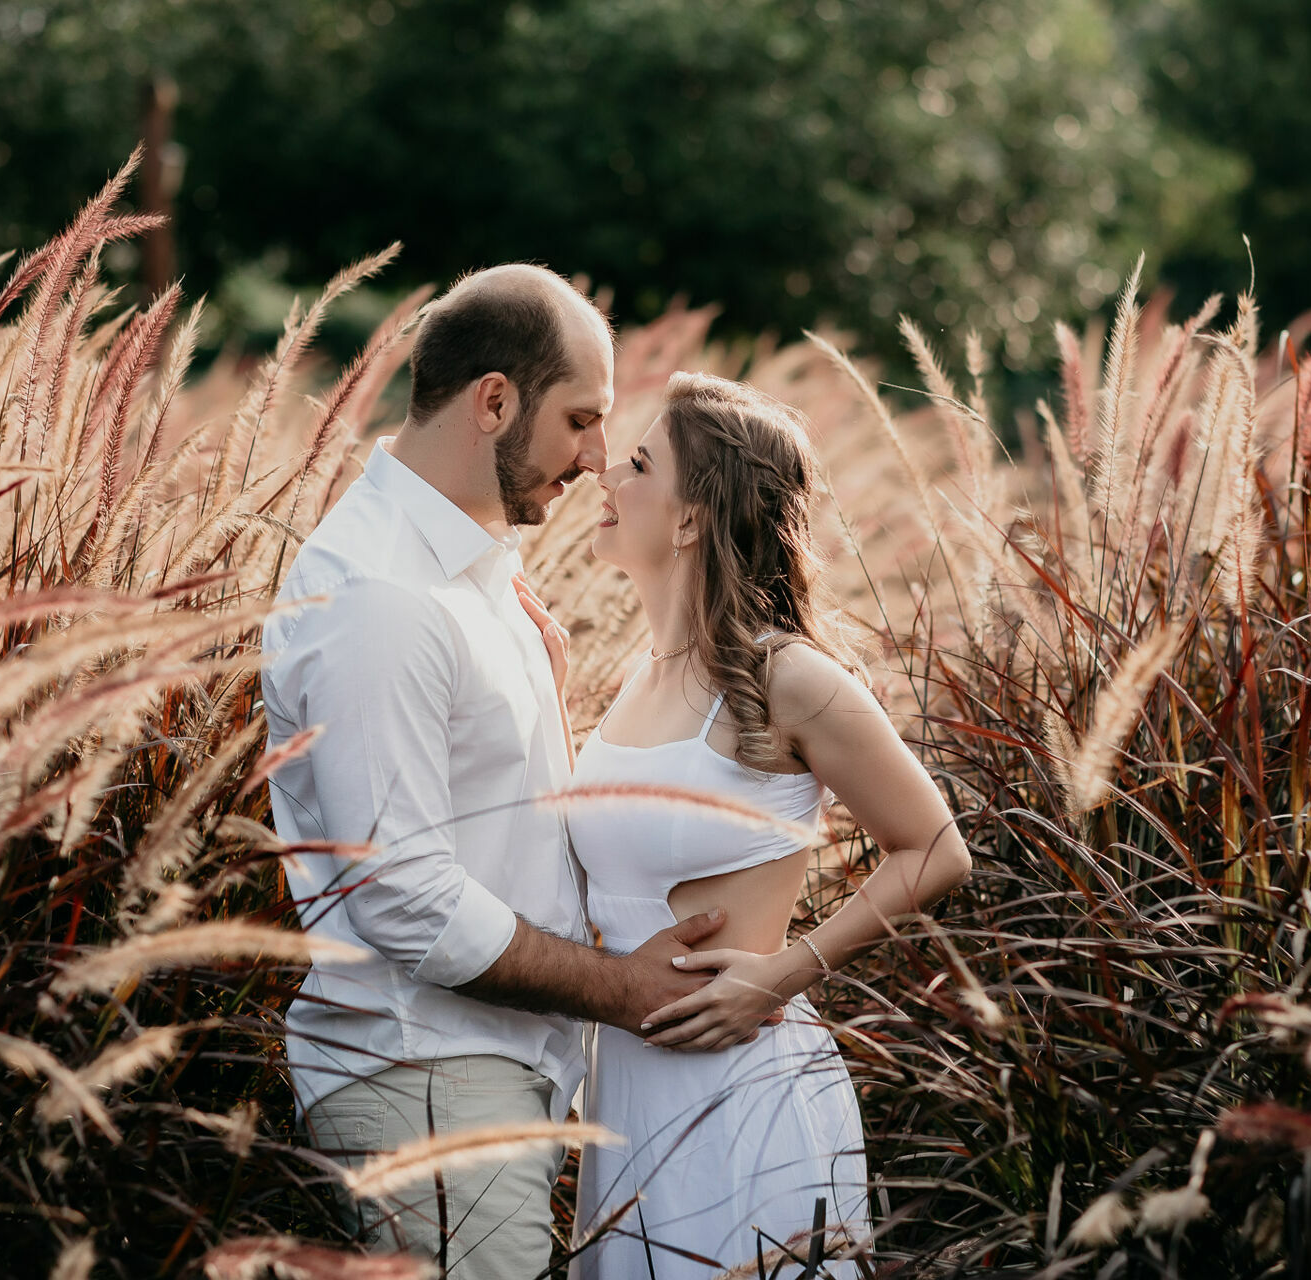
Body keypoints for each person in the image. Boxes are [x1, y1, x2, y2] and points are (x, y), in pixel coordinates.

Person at [259, 265, 736, 1278]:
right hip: (428, 1081)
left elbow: (493, 821)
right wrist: (621, 988)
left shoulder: (472, 572)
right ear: (492, 401)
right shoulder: (383, 594)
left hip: (481, 1076)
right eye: (581, 419)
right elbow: (406, 898)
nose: (598, 458)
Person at [521, 371, 972, 1277]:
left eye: (640, 463)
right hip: (630, 1098)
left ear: (691, 517)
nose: (606, 473)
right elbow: (611, 847)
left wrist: (781, 976)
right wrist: (549, 691)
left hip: (743, 1091)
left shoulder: (787, 678)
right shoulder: (639, 678)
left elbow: (935, 849)